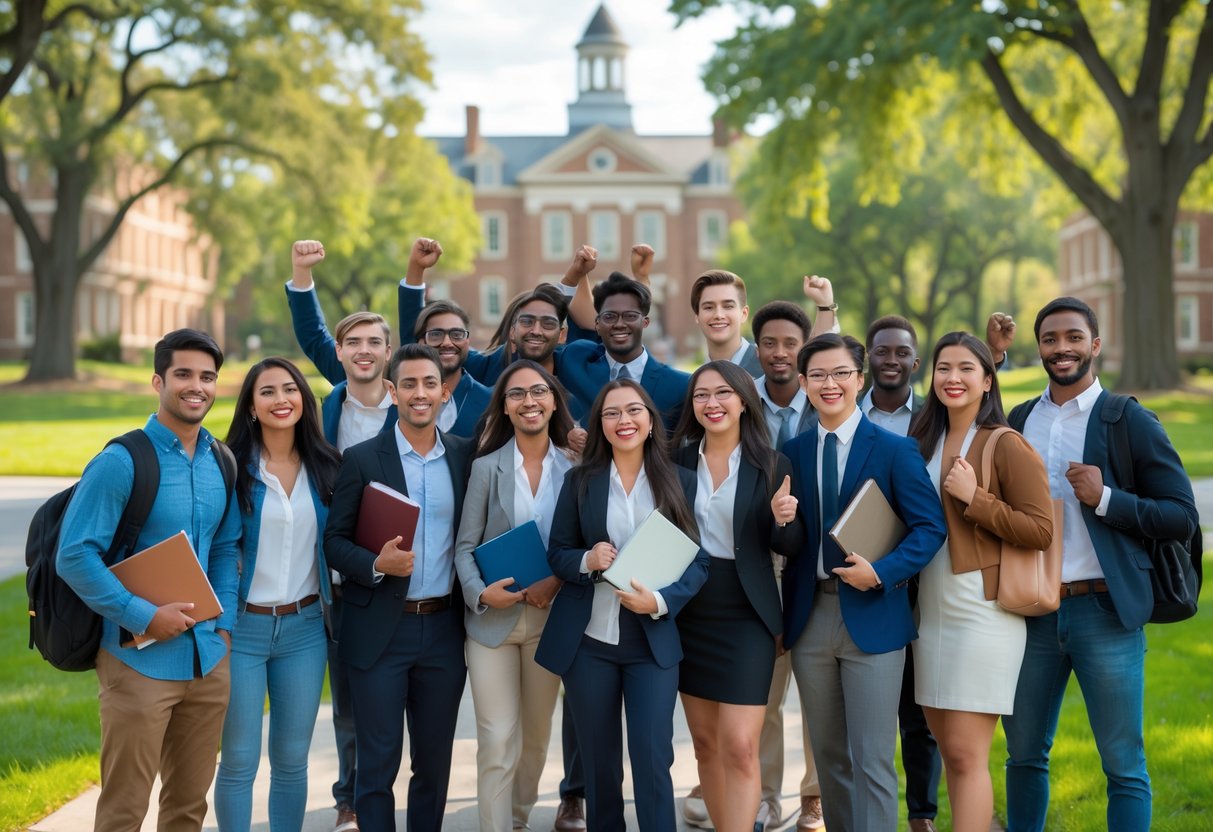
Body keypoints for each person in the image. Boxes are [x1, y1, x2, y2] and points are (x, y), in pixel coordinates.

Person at [999, 298, 1198, 832]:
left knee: (1123, 766)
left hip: (1106, 612)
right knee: (1022, 757)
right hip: (1033, 614)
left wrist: (1107, 497)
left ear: (1095, 345)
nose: (1061, 348)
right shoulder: (1022, 419)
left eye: (1072, 337)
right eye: (1049, 339)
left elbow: (1182, 515)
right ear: (1038, 347)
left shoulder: (1127, 418)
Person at [56, 329, 240, 832]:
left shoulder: (221, 461)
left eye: (207, 377)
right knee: (123, 811)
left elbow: (225, 548)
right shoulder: (121, 461)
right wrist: (143, 616)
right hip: (136, 664)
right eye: (183, 374)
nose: (196, 386)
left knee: (187, 809)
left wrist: (223, 625)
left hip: (208, 661)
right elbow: (73, 555)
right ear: (158, 380)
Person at [781, 333, 947, 832]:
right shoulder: (790, 452)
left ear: (859, 378)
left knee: (873, 759)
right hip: (811, 620)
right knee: (830, 758)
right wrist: (780, 520)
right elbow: (787, 541)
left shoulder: (897, 450)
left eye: (840, 374)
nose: (829, 384)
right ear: (805, 384)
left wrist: (883, 572)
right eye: (817, 376)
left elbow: (930, 528)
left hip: (874, 617)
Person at [535, 380, 710, 830]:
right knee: (599, 765)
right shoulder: (580, 481)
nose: (624, 420)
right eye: (611, 413)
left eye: (634, 411)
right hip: (590, 642)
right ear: (600, 426)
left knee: (653, 760)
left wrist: (660, 600)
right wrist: (587, 560)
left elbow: (699, 561)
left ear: (651, 421)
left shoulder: (681, 481)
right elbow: (557, 552)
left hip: (651, 641)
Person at [906, 333, 1053, 832]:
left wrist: (976, 498)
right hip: (929, 609)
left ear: (987, 380)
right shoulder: (922, 438)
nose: (952, 378)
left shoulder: (1005, 442)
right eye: (943, 367)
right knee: (949, 751)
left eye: (966, 368)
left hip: (982, 612)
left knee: (968, 755)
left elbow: (1040, 529)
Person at [323, 344, 474, 832]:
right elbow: (333, 543)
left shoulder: (464, 455)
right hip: (380, 634)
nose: (419, 393)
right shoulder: (363, 459)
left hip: (445, 631)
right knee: (377, 763)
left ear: (444, 391)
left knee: (433, 764)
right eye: (407, 384)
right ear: (392, 391)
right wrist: (376, 564)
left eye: (429, 383)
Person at [286, 238, 398, 830]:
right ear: (341, 352)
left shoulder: (413, 406)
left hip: (406, 573)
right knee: (350, 701)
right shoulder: (324, 410)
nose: (362, 351)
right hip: (339, 574)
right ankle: (350, 797)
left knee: (400, 700)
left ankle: (385, 788)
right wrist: (302, 274)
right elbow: (309, 335)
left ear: (389, 352)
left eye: (373, 342)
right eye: (351, 342)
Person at [670, 361, 801, 832]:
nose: (712, 403)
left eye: (722, 393)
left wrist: (784, 519)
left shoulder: (772, 463)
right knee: (705, 744)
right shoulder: (676, 460)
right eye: (701, 395)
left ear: (744, 400)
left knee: (741, 746)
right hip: (688, 612)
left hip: (747, 613)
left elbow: (789, 546)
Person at [215, 358, 343, 831]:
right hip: (241, 629)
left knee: (292, 758)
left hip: (305, 630)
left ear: (304, 400)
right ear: (251, 406)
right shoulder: (229, 467)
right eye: (267, 391)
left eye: (290, 389)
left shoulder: (327, 467)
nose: (281, 399)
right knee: (240, 759)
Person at [453, 361, 576, 831]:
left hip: (551, 619)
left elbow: (584, 543)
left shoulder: (576, 466)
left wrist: (559, 580)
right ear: (504, 406)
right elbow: (465, 547)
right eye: (518, 394)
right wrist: (480, 594)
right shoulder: (486, 468)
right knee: (497, 736)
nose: (529, 401)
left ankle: (518, 818)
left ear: (552, 401)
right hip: (493, 625)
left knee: (536, 739)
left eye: (539, 392)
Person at [861, 314, 942, 832]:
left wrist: (996, 358)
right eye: (881, 351)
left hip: (925, 577)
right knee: (867, 712)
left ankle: (921, 815)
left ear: (916, 361)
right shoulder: (847, 412)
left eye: (901, 352)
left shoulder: (935, 417)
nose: (891, 359)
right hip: (863, 573)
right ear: (867, 357)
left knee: (919, 709)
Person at [747, 301, 823, 831]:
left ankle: (814, 796)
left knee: (817, 692)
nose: (778, 352)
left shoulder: (827, 400)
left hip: (814, 562)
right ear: (757, 349)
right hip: (757, 561)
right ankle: (766, 794)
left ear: (804, 350)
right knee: (764, 694)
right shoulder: (740, 402)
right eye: (769, 343)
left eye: (790, 343)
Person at [555, 273, 691, 430]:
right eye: (610, 316)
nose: (619, 324)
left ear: (645, 322)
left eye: (630, 316)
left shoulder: (680, 385)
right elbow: (533, 349)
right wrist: (573, 276)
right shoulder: (575, 364)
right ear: (597, 324)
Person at [411, 298, 493, 437]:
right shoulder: (400, 401)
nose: (447, 343)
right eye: (436, 334)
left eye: (457, 335)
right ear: (421, 343)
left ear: (467, 341)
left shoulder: (489, 403)